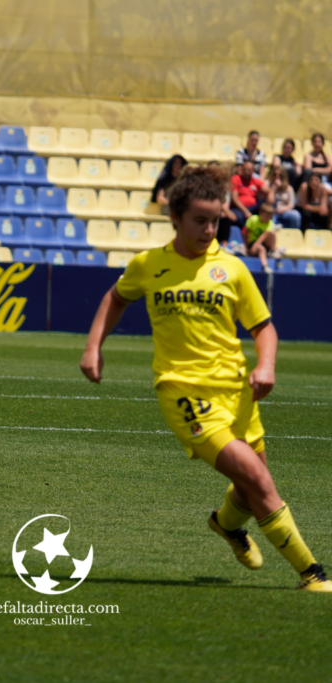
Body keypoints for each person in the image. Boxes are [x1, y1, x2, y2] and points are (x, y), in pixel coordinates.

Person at [79, 165, 331, 593]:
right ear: (175, 218)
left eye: (215, 220)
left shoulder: (231, 269)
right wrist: (93, 347)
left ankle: (226, 526)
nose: (209, 229)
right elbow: (115, 297)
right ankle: (313, 574)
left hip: (237, 392)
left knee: (251, 485)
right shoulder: (149, 265)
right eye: (200, 220)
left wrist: (265, 365)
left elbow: (263, 327)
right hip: (183, 392)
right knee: (259, 480)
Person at [243, 204, 280, 272]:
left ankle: (273, 250)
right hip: (253, 243)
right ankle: (265, 266)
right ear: (260, 213)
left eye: (269, 217)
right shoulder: (252, 219)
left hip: (263, 242)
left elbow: (264, 236)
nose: (267, 219)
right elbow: (246, 233)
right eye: (266, 216)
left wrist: (255, 246)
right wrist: (247, 246)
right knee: (261, 249)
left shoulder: (270, 223)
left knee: (272, 232)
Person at [229, 161, 267, 226]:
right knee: (238, 217)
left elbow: (268, 191)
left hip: (253, 208)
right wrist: (246, 211)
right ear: (241, 169)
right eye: (245, 169)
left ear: (253, 171)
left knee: (268, 203)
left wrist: (273, 189)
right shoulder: (235, 179)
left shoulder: (255, 181)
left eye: (249, 170)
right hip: (239, 208)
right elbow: (234, 198)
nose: (247, 172)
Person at [266, 166, 300, 230]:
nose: (277, 177)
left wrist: (282, 209)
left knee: (296, 215)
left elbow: (291, 205)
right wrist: (274, 188)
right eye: (275, 175)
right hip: (272, 210)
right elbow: (269, 202)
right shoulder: (267, 185)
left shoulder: (289, 188)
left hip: (284, 210)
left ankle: (293, 234)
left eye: (280, 175)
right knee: (269, 213)